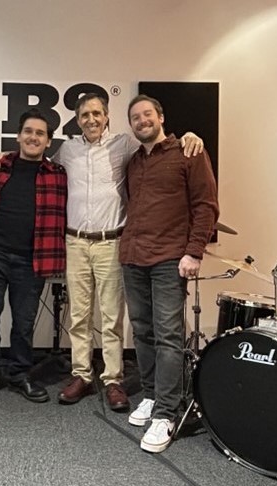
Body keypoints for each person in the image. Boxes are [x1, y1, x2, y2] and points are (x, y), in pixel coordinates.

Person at [52, 93, 204, 412]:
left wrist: (191, 135)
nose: (91, 120)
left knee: (111, 316)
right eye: (84, 116)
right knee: (78, 315)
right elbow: (41, 167)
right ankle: (81, 373)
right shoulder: (67, 149)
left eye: (97, 114)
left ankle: (113, 379)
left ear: (107, 117)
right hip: (76, 241)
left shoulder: (125, 145)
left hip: (112, 241)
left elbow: (159, 146)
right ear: (77, 120)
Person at [121, 94, 219, 453]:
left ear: (161, 117)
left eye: (147, 114)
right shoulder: (133, 162)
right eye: (135, 117)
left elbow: (206, 205)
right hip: (133, 256)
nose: (142, 121)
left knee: (168, 336)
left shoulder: (189, 153)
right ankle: (150, 395)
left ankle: (166, 412)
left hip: (168, 259)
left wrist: (194, 251)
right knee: (143, 332)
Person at [0, 108, 67, 404]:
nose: (33, 137)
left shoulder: (58, 175)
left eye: (40, 133)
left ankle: (20, 373)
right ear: (18, 136)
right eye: (28, 131)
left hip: (32, 258)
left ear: (48, 141)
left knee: (24, 322)